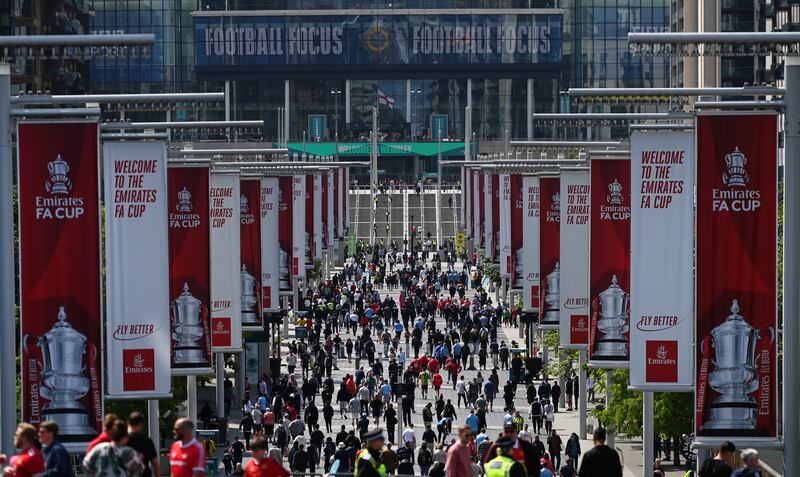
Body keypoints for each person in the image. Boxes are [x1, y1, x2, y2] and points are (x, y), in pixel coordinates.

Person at [128, 411, 160, 477]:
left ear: (128, 423)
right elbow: (155, 464)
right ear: (141, 424)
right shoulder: (147, 441)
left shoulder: (122, 440)